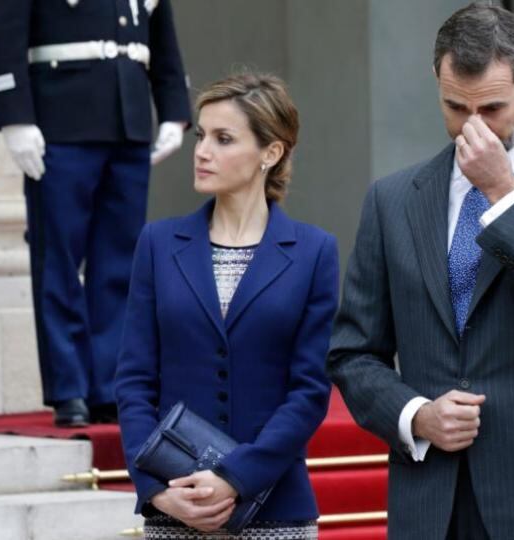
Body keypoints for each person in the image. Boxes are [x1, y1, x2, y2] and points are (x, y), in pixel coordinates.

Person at [327, 4, 514, 539]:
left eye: (492, 107)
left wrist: (503, 193)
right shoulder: (392, 200)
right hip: (435, 499)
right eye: (454, 106)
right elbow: (353, 352)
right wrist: (416, 415)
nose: (472, 126)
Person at [115, 73, 338, 539]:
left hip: (276, 508)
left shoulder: (314, 252)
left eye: (223, 138)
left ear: (271, 153)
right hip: (175, 506)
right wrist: (155, 490)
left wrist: (235, 478)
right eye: (201, 136)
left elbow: (308, 393)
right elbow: (134, 382)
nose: (201, 151)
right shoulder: (157, 244)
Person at [0, 0, 191, 426]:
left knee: (119, 265)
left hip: (128, 125)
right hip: (61, 124)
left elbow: (160, 37)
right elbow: (2, 32)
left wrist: (174, 110)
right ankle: (68, 387)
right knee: (58, 261)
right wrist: (14, 117)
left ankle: (106, 386)